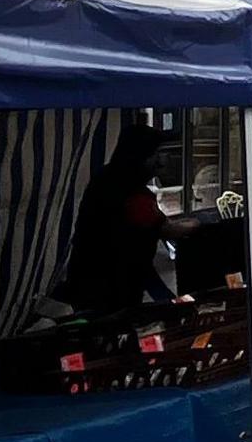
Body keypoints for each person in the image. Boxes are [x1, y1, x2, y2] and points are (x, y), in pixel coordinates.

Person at [60, 122, 173, 312]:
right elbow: (167, 229)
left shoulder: (105, 177)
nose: (160, 162)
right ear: (141, 156)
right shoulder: (132, 192)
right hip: (110, 290)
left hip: (88, 281)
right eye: (155, 154)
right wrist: (197, 225)